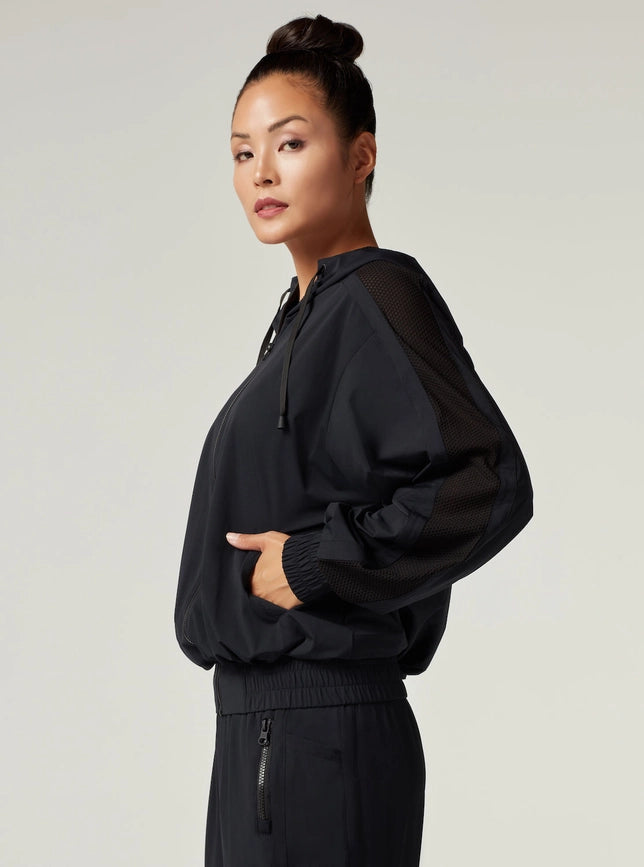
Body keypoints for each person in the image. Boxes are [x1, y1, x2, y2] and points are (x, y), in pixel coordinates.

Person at [174, 13, 533, 867]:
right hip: (261, 731)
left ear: (361, 155)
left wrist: (314, 563)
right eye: (242, 152)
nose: (261, 171)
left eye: (290, 144)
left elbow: (486, 479)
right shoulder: (306, 320)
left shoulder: (379, 292)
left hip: (318, 733)